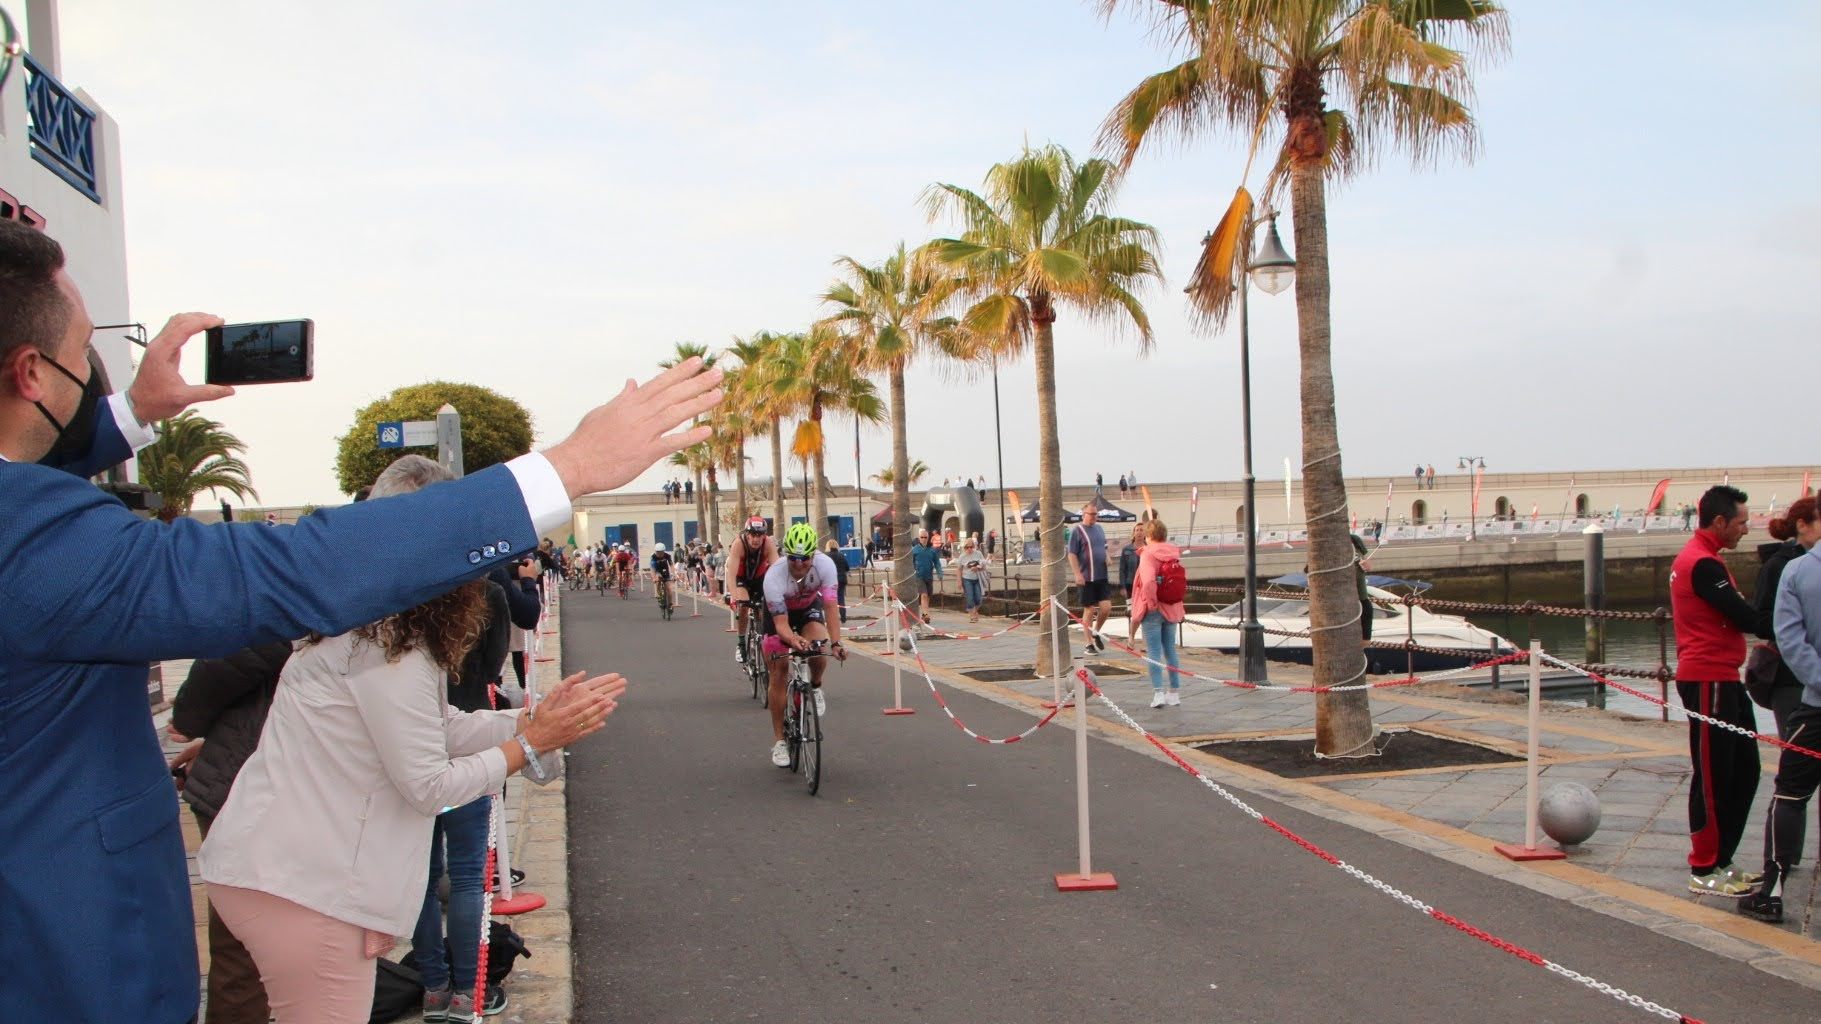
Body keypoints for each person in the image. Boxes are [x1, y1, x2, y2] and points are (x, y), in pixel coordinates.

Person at [0, 216, 723, 1024]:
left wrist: (128, 414)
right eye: (84, 362)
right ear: (31, 373)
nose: (93, 381)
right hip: (71, 944)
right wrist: (564, 471)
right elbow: (292, 570)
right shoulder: (26, 533)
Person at [201, 458, 624, 1023]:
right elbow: (430, 785)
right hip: (305, 887)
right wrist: (527, 745)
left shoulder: (372, 625)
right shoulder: (386, 646)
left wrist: (526, 722)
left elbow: (437, 726)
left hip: (289, 875)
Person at [168, 642, 290, 1024]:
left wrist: (191, 721)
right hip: (255, 782)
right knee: (247, 946)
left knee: (247, 949)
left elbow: (242, 653)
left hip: (264, 782)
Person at [1669, 484, 1764, 898]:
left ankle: (1723, 860)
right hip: (1707, 677)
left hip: (1726, 676)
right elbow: (1745, 616)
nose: (1747, 528)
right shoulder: (1701, 564)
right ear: (1720, 522)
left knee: (1745, 770)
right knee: (1712, 776)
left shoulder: (1708, 560)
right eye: (1742, 522)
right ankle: (1704, 866)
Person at [1739, 519, 1821, 923]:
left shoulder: (1799, 570)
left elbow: (1789, 639)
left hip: (1816, 704)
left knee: (1790, 795)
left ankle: (1771, 892)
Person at [759, 524, 847, 765]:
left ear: (813, 554)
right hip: (780, 618)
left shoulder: (825, 565)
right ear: (787, 554)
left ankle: (815, 686)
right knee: (779, 670)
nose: (799, 564)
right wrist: (792, 639)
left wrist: (837, 642)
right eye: (794, 558)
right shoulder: (774, 576)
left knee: (819, 646)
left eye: (805, 558)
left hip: (808, 610)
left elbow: (830, 607)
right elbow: (781, 624)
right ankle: (779, 742)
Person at [1754, 497, 1818, 738]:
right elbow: (1762, 619)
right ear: (1803, 525)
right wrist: (1795, 629)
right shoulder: (1781, 565)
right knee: (1798, 752)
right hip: (1789, 675)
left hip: (1805, 670)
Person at [1129, 519, 1185, 707]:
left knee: (1154, 651)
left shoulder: (1148, 554)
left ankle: (1158, 693)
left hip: (1154, 609)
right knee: (1170, 650)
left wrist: (1152, 603)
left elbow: (1148, 582)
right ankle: (1174, 693)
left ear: (1148, 536)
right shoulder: (1174, 553)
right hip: (1172, 606)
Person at [726, 516, 779, 662]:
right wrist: (733, 596)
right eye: (753, 535)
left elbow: (777, 570)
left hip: (760, 579)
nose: (756, 539)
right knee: (743, 606)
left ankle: (764, 639)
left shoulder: (768, 543)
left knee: (763, 612)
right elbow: (731, 575)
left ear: (764, 535)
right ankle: (741, 644)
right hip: (741, 579)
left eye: (760, 535)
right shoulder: (739, 544)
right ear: (747, 534)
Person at [1068, 503, 1113, 653]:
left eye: (1096, 514)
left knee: (1106, 607)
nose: (1094, 517)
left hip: (1101, 575)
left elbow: (1104, 547)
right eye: (1091, 514)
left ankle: (1096, 631)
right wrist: (1077, 574)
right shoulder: (1077, 531)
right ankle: (1088, 644)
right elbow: (1072, 553)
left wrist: (1107, 557)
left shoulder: (1099, 529)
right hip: (1086, 577)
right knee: (1089, 609)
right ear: (1084, 514)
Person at [956, 535, 989, 623]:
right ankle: (972, 616)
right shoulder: (962, 557)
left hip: (977, 578)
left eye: (971, 547)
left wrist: (977, 568)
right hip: (966, 579)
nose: (969, 549)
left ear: (974, 547)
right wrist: (959, 581)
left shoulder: (978, 553)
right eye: (967, 547)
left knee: (978, 598)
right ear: (964, 547)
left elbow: (984, 564)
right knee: (970, 598)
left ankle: (974, 611)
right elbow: (959, 569)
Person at [911, 529, 941, 624]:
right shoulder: (914, 550)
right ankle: (926, 614)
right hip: (919, 576)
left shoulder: (932, 550)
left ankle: (924, 614)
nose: (924, 539)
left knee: (928, 596)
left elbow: (937, 562)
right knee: (923, 595)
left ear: (928, 538)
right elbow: (910, 563)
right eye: (922, 537)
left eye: (925, 537)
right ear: (919, 538)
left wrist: (940, 573)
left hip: (929, 576)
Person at [823, 537, 851, 622]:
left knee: (831, 599)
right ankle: (843, 617)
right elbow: (847, 567)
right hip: (842, 579)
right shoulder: (841, 555)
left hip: (831, 581)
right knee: (841, 598)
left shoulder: (826, 556)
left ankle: (832, 618)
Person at [1118, 521, 1144, 601]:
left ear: (1146, 533)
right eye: (1137, 530)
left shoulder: (1149, 548)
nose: (1139, 532)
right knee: (1131, 609)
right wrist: (1123, 587)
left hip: (1144, 584)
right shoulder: (1126, 549)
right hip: (1130, 584)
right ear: (1134, 533)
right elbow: (1122, 569)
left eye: (1141, 530)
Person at [651, 541, 675, 610]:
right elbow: (652, 569)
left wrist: (674, 575)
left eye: (661, 552)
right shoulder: (653, 557)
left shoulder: (667, 556)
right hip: (657, 570)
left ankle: (670, 604)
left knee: (669, 589)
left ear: (663, 551)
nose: (659, 554)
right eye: (657, 552)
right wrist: (653, 578)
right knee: (658, 579)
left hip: (665, 571)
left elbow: (671, 565)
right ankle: (659, 594)